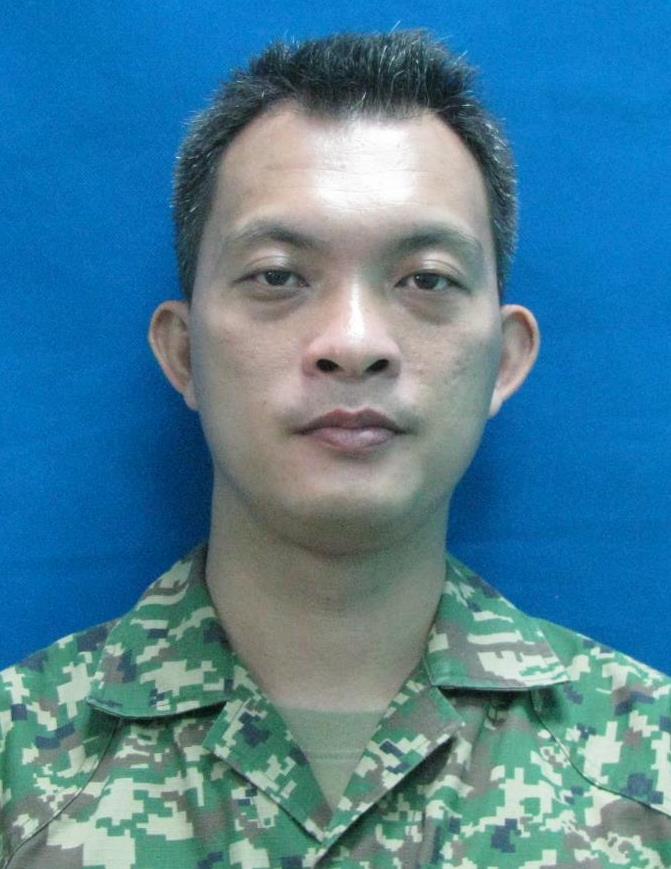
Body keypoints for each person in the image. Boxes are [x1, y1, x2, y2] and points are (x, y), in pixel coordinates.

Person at [1, 29, 669, 869]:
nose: (353, 343)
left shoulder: (650, 769)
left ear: (504, 360)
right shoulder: (20, 771)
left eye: (425, 279)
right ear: (182, 353)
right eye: (278, 275)